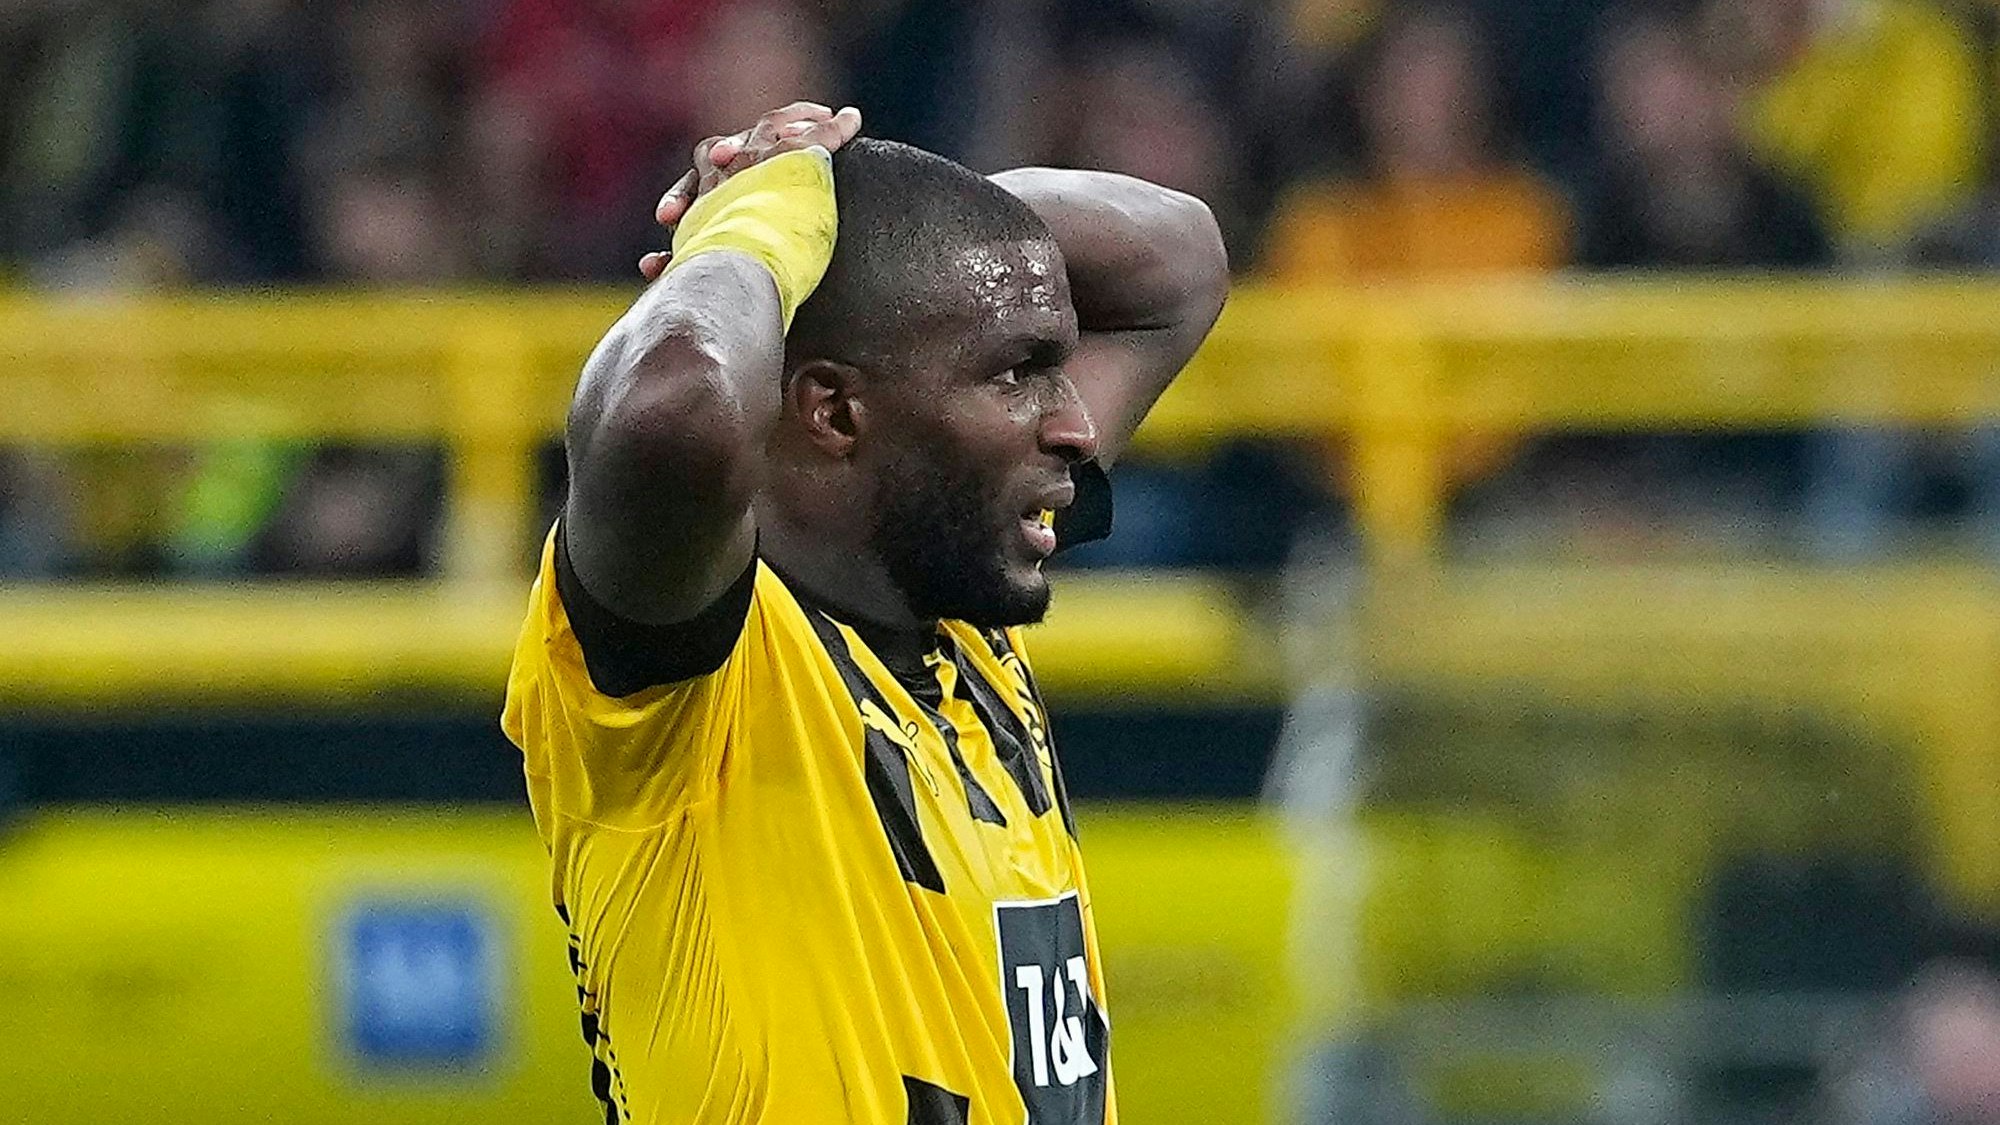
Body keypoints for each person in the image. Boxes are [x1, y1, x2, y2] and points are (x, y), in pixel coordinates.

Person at [501, 102, 1227, 1125]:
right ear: (836, 411)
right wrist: (753, 223)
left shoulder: (958, 587)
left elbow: (1176, 261)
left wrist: (844, 199)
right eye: (1018, 373)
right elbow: (675, 406)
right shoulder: (692, 681)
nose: (1069, 425)